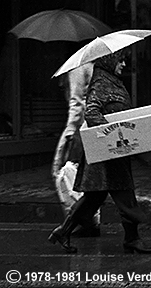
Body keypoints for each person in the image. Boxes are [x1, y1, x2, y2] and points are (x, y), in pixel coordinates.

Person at [48, 50, 151, 254]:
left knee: (94, 198)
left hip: (111, 152)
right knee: (123, 195)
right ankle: (132, 239)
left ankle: (63, 231)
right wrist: (115, 133)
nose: (124, 64)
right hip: (106, 153)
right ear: (110, 61)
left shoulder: (112, 81)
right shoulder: (101, 83)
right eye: (121, 59)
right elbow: (91, 113)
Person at [51, 63, 101, 237]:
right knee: (83, 176)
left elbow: (76, 102)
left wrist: (70, 132)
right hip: (90, 125)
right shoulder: (93, 67)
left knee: (66, 173)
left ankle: (83, 221)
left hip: (80, 127)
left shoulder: (77, 68)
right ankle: (87, 219)